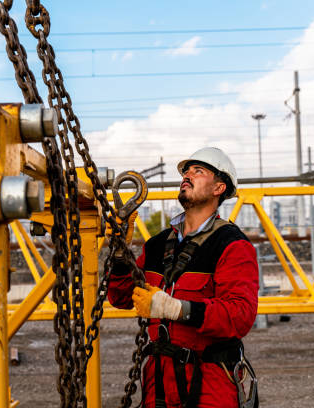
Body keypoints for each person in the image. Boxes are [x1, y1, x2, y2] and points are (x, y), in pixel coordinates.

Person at [108, 147, 259, 408]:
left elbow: (240, 315)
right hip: (159, 380)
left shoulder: (232, 245)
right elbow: (120, 296)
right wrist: (120, 254)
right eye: (186, 171)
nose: (187, 176)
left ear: (219, 188)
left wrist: (178, 309)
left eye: (198, 171)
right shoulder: (156, 245)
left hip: (209, 380)